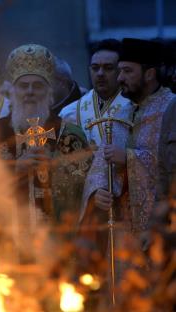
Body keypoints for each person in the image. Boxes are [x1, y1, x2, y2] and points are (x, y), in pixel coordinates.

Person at [80, 38, 176, 258]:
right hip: (123, 229)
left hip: (163, 227)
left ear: (149, 74)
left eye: (127, 71)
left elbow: (171, 168)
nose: (120, 78)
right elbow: (102, 164)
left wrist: (130, 158)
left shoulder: (171, 108)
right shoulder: (122, 113)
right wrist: (99, 191)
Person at [0, 43, 91, 225]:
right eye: (23, 86)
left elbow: (84, 185)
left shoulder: (68, 133)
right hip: (12, 235)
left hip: (57, 234)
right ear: (14, 91)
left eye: (37, 85)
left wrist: (54, 167)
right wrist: (15, 169)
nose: (30, 92)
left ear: (48, 91)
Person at [60, 39, 133, 147]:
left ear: (121, 70)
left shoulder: (134, 107)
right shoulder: (70, 112)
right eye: (95, 68)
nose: (100, 73)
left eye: (108, 68)